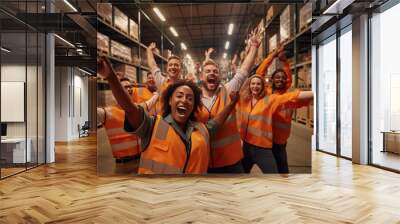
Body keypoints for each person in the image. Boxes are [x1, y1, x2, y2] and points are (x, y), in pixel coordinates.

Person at [97, 56, 239, 174]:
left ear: (194, 106)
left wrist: (232, 104)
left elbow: (218, 122)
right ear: (170, 101)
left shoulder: (201, 130)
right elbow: (130, 109)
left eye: (190, 98)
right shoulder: (152, 126)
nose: (184, 100)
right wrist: (111, 77)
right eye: (179, 96)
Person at [196, 29, 262, 173]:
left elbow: (243, 71)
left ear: (219, 76)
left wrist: (254, 48)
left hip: (231, 161)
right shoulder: (193, 98)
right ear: (201, 77)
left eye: (215, 71)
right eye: (207, 72)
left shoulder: (227, 90)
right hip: (204, 161)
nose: (212, 73)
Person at [237, 74, 313, 173]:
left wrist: (316, 92)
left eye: (258, 84)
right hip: (246, 148)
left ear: (263, 86)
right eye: (253, 83)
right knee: (240, 176)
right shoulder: (244, 100)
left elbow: (290, 97)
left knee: (274, 177)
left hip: (262, 149)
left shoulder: (270, 100)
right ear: (249, 85)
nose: (255, 86)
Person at [255, 48, 312, 173]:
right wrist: (272, 56)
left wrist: (285, 62)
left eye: (282, 78)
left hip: (280, 143)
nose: (280, 79)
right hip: (266, 140)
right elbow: (259, 74)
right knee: (271, 172)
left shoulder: (289, 96)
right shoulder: (267, 93)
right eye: (277, 77)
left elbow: (289, 78)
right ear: (272, 80)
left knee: (283, 171)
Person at [97, 77, 140, 162]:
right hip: (123, 165)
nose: (129, 89)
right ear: (117, 92)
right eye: (125, 87)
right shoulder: (107, 112)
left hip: (140, 160)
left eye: (130, 86)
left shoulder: (138, 108)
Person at [147, 42, 181, 114]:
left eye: (176, 65)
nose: (173, 67)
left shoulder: (184, 85)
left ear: (180, 69)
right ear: (167, 68)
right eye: (170, 65)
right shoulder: (161, 82)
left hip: (178, 122)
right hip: (163, 121)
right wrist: (149, 51)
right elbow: (153, 65)